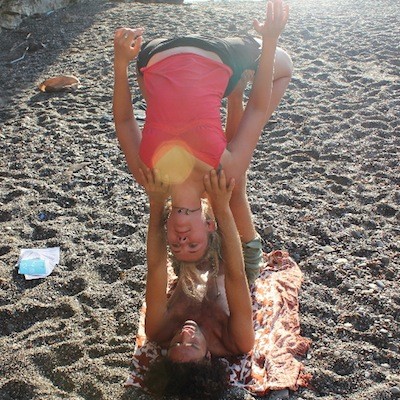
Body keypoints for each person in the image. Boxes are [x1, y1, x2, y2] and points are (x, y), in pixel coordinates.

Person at [113, 0, 291, 284]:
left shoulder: (149, 178)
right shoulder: (223, 177)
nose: (182, 240)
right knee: (286, 67)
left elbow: (124, 122)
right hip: (216, 57)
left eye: (175, 245)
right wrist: (270, 41)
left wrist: (121, 64)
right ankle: (233, 92)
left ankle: (229, 95)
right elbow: (258, 108)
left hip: (154, 56)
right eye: (193, 245)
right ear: (209, 226)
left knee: (162, 108)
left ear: (167, 231)